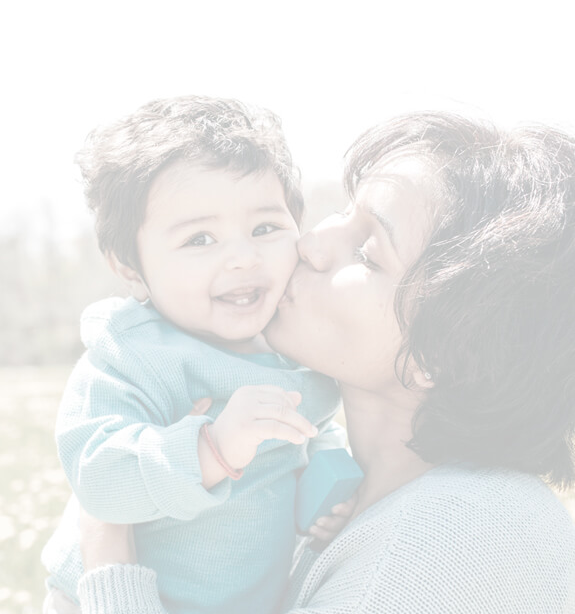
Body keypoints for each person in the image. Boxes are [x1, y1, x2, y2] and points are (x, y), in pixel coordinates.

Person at [76, 111, 575, 613]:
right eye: (342, 211)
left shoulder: (452, 540)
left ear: (447, 350)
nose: (309, 243)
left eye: (366, 251)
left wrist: (108, 568)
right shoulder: (366, 506)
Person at [41, 96, 345, 614]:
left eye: (265, 229)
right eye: (200, 239)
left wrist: (330, 475)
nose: (243, 258)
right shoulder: (133, 355)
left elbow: (315, 420)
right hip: (98, 597)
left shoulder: (293, 341)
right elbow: (97, 480)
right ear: (130, 267)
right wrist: (212, 448)